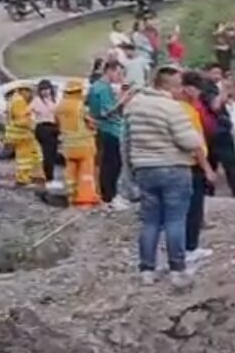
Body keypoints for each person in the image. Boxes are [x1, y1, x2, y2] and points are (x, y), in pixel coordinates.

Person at [126, 67, 205, 288]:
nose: (181, 90)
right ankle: (177, 270)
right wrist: (196, 136)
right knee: (175, 220)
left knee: (150, 221)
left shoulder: (134, 105)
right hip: (174, 169)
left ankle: (146, 270)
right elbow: (189, 141)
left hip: (144, 169)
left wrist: (130, 171)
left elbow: (127, 140)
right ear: (169, 85)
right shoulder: (172, 108)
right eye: (179, 85)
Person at [178, 72, 217, 266]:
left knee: (185, 208)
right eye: (196, 89)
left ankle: (183, 248)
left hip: (184, 163)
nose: (199, 93)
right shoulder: (186, 110)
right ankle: (189, 248)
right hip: (192, 164)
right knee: (193, 207)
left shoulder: (187, 107)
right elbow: (194, 143)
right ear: (186, 88)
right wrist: (207, 168)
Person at [87, 60, 132, 211]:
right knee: (112, 164)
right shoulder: (102, 89)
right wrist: (123, 99)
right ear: (110, 71)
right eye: (118, 73)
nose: (119, 77)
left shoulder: (97, 87)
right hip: (110, 129)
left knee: (109, 163)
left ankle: (109, 195)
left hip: (105, 128)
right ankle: (109, 197)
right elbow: (105, 112)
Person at [53, 79, 100, 208]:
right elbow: (90, 123)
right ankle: (85, 199)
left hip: (68, 147)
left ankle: (70, 195)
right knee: (86, 174)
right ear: (78, 91)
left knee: (70, 172)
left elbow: (57, 124)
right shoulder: (80, 106)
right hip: (84, 146)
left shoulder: (59, 107)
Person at [200, 64, 235, 197]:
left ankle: (213, 192)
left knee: (219, 163)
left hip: (217, 129)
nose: (217, 76)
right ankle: (234, 192)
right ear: (207, 73)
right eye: (214, 73)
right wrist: (224, 92)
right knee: (227, 163)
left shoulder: (215, 87)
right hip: (216, 130)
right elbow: (215, 106)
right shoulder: (207, 88)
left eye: (219, 73)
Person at [6, 85, 42, 187]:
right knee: (24, 159)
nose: (31, 96)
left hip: (20, 135)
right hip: (21, 135)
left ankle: (28, 176)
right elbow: (22, 120)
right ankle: (23, 180)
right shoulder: (19, 101)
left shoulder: (15, 99)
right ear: (24, 91)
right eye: (30, 93)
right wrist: (33, 124)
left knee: (28, 157)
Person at [31, 79, 60, 183]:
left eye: (47, 89)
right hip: (43, 127)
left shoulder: (53, 100)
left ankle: (48, 174)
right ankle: (48, 176)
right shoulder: (37, 101)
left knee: (52, 153)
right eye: (43, 89)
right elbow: (30, 112)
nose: (45, 92)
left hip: (53, 127)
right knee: (48, 153)